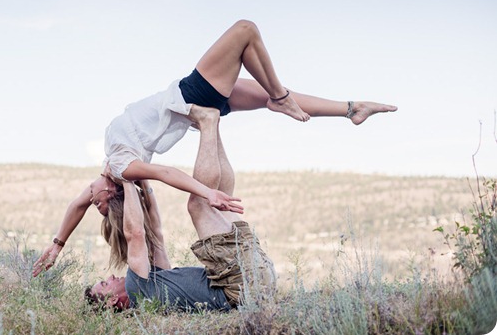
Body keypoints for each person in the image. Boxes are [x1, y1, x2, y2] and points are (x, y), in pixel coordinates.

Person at [31, 20, 397, 277]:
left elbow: (76, 205)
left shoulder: (108, 169)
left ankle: (351, 109)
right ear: (111, 194)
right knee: (245, 31)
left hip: (193, 102)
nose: (88, 198)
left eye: (92, 201)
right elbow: (167, 173)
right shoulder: (124, 168)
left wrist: (57, 245)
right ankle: (284, 97)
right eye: (98, 203)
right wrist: (209, 193)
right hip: (191, 95)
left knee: (267, 96)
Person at [86, 106, 276, 311]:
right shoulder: (136, 290)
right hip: (240, 286)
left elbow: (156, 230)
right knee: (198, 204)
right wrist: (125, 178)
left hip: (257, 280)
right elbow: (135, 233)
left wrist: (143, 181)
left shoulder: (152, 286)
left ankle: (213, 125)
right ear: (112, 300)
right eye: (105, 284)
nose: (111, 276)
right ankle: (208, 123)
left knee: (222, 204)